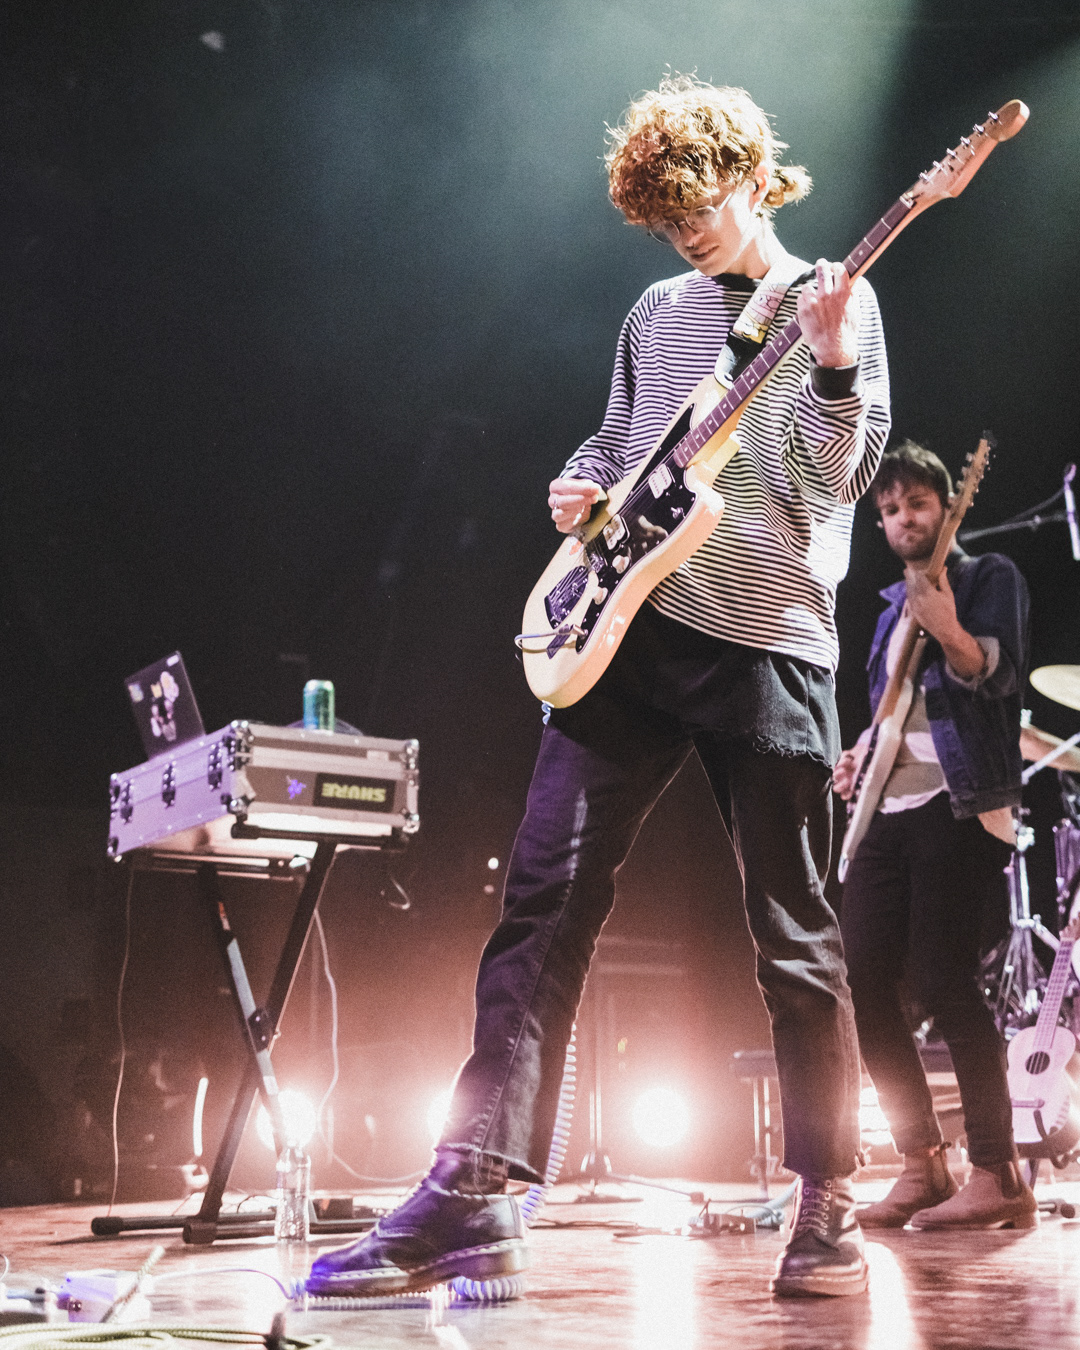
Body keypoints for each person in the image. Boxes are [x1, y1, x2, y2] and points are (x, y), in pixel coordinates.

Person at [308, 76, 890, 1300]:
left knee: (794, 934)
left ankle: (827, 1199)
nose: (682, 231)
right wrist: (577, 491)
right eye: (661, 215)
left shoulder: (835, 298)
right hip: (626, 632)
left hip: (769, 638)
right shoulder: (654, 310)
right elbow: (619, 441)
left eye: (696, 205)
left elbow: (836, 485)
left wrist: (832, 371)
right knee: (540, 900)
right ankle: (476, 1189)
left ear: (749, 174)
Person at [834, 441, 1035, 1229]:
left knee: (943, 977)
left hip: (961, 807)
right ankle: (922, 1163)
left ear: (948, 506)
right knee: (858, 977)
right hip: (887, 813)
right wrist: (859, 755)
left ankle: (999, 1171)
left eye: (915, 503)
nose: (900, 519)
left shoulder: (990, 579)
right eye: (887, 510)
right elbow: (892, 717)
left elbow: (997, 677)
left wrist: (948, 627)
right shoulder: (889, 610)